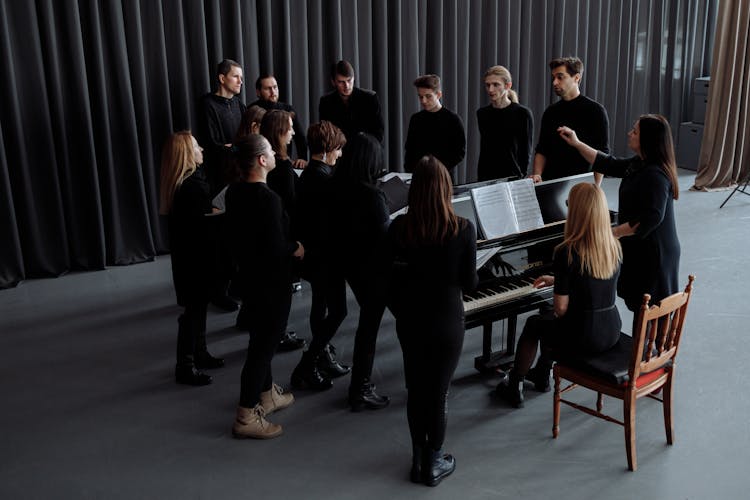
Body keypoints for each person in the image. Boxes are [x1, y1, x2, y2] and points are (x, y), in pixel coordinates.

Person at [387, 155, 478, 486]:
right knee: (438, 393)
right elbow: (470, 284)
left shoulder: (398, 229)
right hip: (447, 322)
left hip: (410, 320)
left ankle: (417, 458)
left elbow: (388, 281)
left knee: (416, 389)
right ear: (445, 189)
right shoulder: (463, 229)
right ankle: (434, 461)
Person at [496, 183, 622, 408]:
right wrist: (559, 281)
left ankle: (514, 384)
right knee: (549, 325)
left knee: (535, 324)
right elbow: (594, 282)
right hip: (610, 330)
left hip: (584, 336)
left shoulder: (567, 251)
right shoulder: (612, 245)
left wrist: (560, 288)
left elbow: (561, 309)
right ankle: (542, 375)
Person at [558, 114, 681, 315]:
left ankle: (642, 347)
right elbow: (607, 163)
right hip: (641, 249)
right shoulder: (640, 163)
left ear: (647, 139)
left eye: (635, 131)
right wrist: (577, 143)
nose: (629, 133)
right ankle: (640, 346)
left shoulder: (655, 175)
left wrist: (611, 233)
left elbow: (650, 218)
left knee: (648, 312)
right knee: (640, 309)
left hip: (654, 254)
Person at [224, 134, 304, 439]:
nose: (274, 154)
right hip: (271, 282)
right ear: (261, 160)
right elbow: (275, 246)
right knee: (262, 348)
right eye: (270, 151)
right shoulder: (267, 198)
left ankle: (267, 394)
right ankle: (246, 414)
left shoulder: (234, 191)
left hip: (250, 279)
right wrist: (296, 247)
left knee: (261, 339)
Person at [331, 133, 392, 411]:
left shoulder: (335, 184)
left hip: (347, 263)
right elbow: (385, 239)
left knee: (367, 327)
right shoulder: (372, 195)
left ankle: (361, 385)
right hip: (373, 270)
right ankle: (360, 387)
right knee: (368, 329)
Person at [159, 131, 225, 386]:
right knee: (194, 312)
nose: (202, 150)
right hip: (197, 259)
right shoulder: (193, 186)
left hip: (187, 259)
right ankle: (185, 365)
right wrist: (218, 214)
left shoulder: (181, 183)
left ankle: (199, 353)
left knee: (197, 309)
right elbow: (202, 226)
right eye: (197, 147)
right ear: (187, 154)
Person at [290, 121, 350, 391]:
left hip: (314, 256)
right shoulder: (326, 179)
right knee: (338, 311)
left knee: (320, 305)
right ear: (327, 149)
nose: (340, 155)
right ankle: (308, 363)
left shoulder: (309, 176)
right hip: (327, 258)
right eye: (338, 149)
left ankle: (321, 357)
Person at [196, 58, 246, 312]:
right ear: (222, 78)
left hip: (238, 176)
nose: (240, 81)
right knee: (220, 239)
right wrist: (231, 148)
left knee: (238, 236)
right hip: (218, 179)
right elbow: (213, 145)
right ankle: (218, 292)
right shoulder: (207, 104)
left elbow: (244, 139)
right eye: (236, 76)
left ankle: (236, 285)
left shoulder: (238, 103)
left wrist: (233, 148)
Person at [530, 57, 609, 183]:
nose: (554, 82)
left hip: (581, 185)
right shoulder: (550, 112)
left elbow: (602, 154)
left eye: (560, 77)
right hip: (550, 184)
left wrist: (596, 188)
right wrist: (537, 175)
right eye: (554, 77)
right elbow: (542, 150)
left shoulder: (596, 111)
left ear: (576, 78)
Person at [476, 65, 533, 181]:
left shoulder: (522, 113)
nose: (490, 89)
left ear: (508, 86)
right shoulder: (482, 113)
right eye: (488, 85)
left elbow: (525, 151)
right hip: (486, 177)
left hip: (512, 177)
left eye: (496, 85)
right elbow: (486, 149)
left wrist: (520, 176)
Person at [404, 74, 466, 180]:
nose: (423, 101)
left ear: (438, 95)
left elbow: (459, 153)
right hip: (418, 178)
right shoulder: (416, 119)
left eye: (428, 96)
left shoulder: (453, 119)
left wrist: (437, 170)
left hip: (443, 177)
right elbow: (410, 149)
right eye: (420, 96)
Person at [249, 75, 308, 168]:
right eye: (268, 89)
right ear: (258, 92)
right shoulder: (252, 111)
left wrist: (303, 158)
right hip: (260, 164)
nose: (273, 92)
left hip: (283, 161)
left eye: (275, 87)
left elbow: (300, 137)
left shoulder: (287, 109)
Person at [319, 60, 384, 143]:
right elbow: (325, 135)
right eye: (341, 82)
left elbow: (379, 135)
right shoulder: (326, 102)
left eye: (349, 80)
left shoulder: (370, 98)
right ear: (333, 82)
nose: (347, 86)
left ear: (354, 78)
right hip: (339, 152)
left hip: (366, 151)